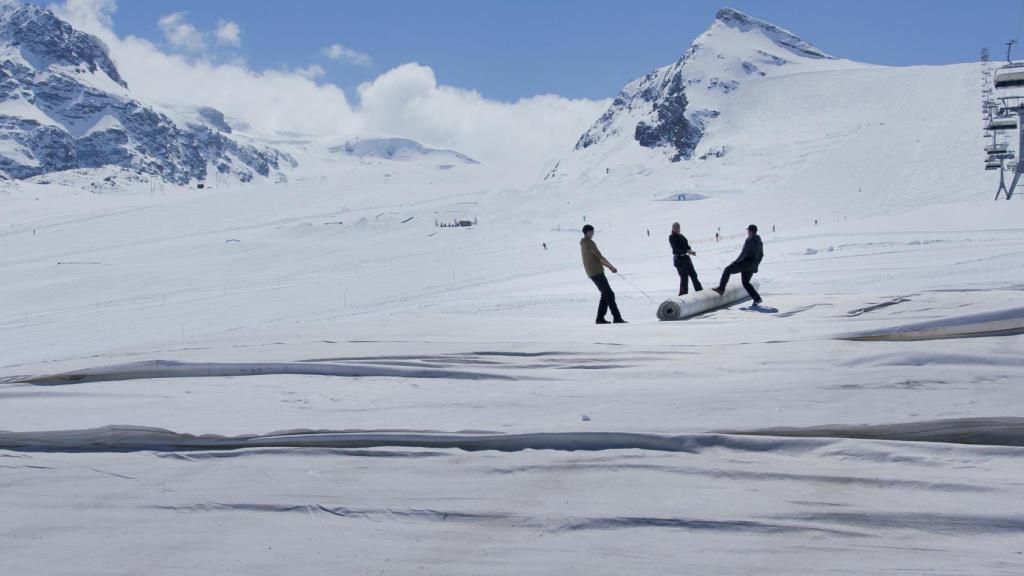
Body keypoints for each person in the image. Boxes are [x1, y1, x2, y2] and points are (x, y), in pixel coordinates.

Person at [580, 225, 626, 324]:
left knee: (605, 294)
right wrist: (610, 266)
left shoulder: (583, 243)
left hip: (592, 272)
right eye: (592, 232)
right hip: (596, 272)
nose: (593, 234)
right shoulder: (589, 243)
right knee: (609, 294)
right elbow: (599, 257)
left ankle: (600, 318)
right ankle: (617, 318)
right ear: (588, 232)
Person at [711, 224, 763, 305]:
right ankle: (757, 298)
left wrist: (736, 262)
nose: (747, 232)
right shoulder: (760, 241)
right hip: (752, 266)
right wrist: (756, 266)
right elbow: (761, 255)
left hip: (745, 264)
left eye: (748, 230)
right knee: (745, 282)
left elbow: (744, 253)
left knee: (727, 270)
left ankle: (721, 289)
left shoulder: (750, 239)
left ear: (750, 231)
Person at [669, 222, 702, 295]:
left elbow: (687, 245)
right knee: (684, 278)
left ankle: (700, 292)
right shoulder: (672, 237)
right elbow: (675, 248)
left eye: (678, 228)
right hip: (679, 261)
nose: (677, 229)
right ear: (673, 229)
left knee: (694, 275)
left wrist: (689, 250)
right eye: (676, 228)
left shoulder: (682, 236)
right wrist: (684, 251)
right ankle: (683, 295)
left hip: (687, 259)